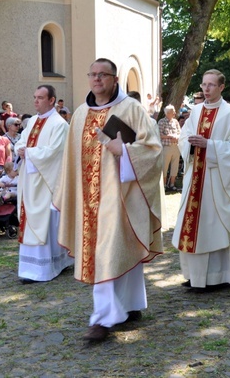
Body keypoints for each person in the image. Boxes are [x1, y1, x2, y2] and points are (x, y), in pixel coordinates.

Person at [57, 58, 163, 342]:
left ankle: (105, 318)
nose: (96, 79)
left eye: (102, 75)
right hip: (87, 200)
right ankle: (125, 306)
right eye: (92, 74)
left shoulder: (131, 108)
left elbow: (153, 149)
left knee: (112, 250)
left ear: (115, 79)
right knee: (107, 251)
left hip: (120, 195)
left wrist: (125, 150)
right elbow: (70, 159)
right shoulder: (80, 114)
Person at [173, 69, 230, 290]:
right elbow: (183, 138)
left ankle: (219, 276)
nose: (206, 89)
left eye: (211, 85)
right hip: (195, 179)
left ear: (221, 87)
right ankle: (194, 276)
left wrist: (209, 145)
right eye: (203, 85)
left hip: (217, 181)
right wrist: (190, 144)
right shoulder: (196, 111)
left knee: (214, 225)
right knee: (192, 225)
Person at [15, 84, 73, 284]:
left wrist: (28, 152)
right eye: (34, 97)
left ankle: (45, 268)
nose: (35, 101)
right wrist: (20, 149)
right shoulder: (31, 121)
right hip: (30, 179)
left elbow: (55, 152)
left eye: (40, 97)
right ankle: (31, 268)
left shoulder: (60, 124)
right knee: (31, 219)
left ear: (51, 100)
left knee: (46, 221)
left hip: (47, 182)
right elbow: (21, 141)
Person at [157, 105, 181, 192]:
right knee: (164, 166)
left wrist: (177, 136)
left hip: (176, 146)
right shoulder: (161, 122)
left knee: (175, 166)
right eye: (173, 111)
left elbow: (180, 132)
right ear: (168, 113)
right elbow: (159, 135)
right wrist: (170, 136)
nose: (175, 112)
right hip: (166, 147)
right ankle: (163, 185)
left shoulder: (175, 122)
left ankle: (172, 184)